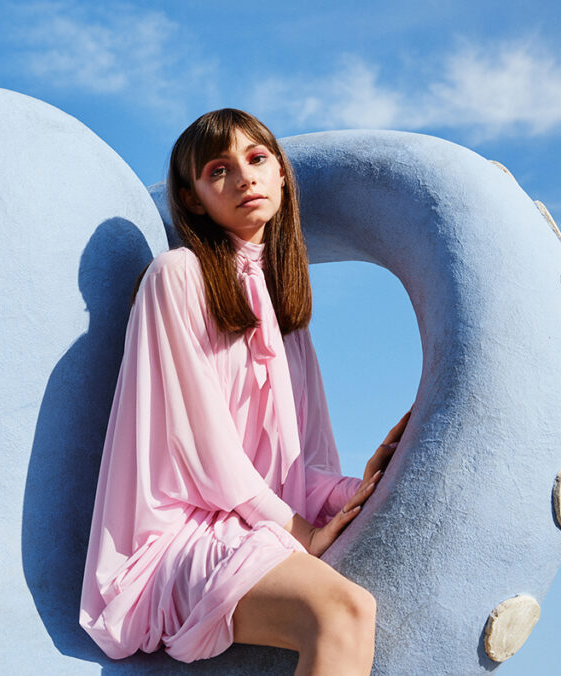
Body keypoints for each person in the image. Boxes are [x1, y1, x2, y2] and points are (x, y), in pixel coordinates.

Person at [79, 108, 410, 675]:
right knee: (345, 611)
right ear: (192, 198)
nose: (244, 178)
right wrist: (303, 533)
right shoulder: (176, 276)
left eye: (257, 160)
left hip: (256, 528)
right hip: (175, 540)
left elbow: (299, 468)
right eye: (219, 170)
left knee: (357, 605)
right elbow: (208, 456)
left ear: (281, 174)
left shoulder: (289, 318)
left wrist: (365, 488)